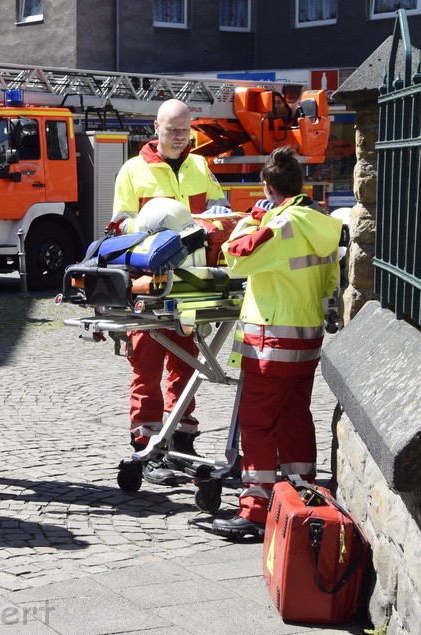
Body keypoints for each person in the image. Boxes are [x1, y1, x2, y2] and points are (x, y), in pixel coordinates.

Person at [213, 146, 342, 538]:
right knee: (294, 418)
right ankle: (302, 493)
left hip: (271, 341)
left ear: (269, 188)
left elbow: (234, 257)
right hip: (306, 340)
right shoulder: (319, 223)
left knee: (257, 423)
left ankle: (255, 509)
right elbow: (330, 282)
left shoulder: (279, 225)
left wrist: (252, 218)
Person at [108, 98, 230, 485]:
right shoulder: (133, 170)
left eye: (185, 130)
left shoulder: (199, 165)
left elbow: (219, 209)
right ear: (156, 128)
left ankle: (183, 439)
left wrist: (210, 226)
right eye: (172, 130)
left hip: (190, 282)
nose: (180, 137)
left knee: (188, 364)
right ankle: (148, 446)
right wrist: (156, 231)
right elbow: (119, 223)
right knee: (146, 365)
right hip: (148, 279)